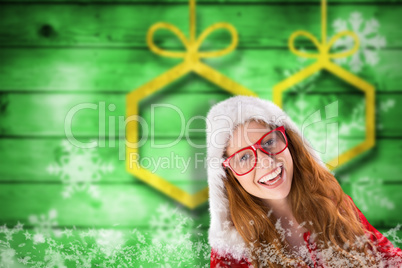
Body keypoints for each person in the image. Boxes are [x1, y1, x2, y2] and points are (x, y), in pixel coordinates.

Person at [205, 95, 402, 267]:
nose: (266, 162)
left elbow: (391, 260)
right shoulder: (231, 254)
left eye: (269, 142)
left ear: (290, 142)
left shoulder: (335, 205)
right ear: (228, 176)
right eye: (244, 157)